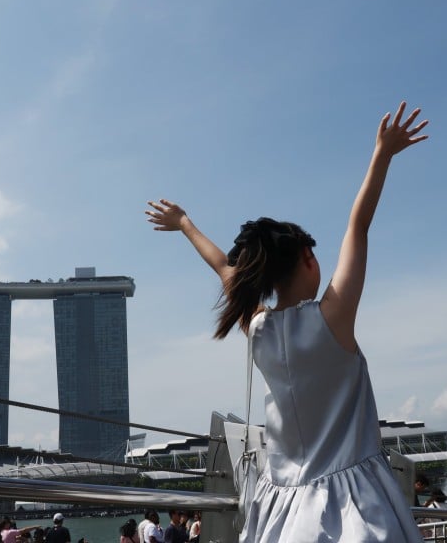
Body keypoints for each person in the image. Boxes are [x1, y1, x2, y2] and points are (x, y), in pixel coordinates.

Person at [146, 101, 429, 542]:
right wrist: (382, 154)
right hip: (354, 500)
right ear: (308, 259)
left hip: (282, 506)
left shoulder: (258, 328)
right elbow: (359, 225)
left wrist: (185, 223)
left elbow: (223, 267)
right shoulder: (333, 317)